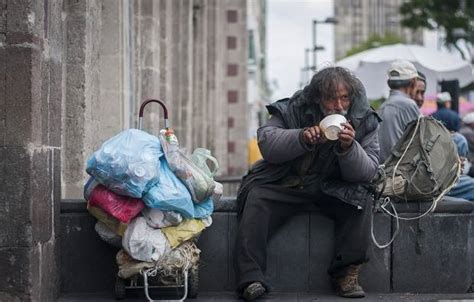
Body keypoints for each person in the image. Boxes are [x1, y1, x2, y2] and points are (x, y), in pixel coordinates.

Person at [234, 67, 381, 301]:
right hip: (291, 182)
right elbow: (267, 141)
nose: (339, 106)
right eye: (332, 98)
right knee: (257, 197)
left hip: (334, 187)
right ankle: (250, 277)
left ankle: (346, 274)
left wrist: (349, 148)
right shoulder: (293, 108)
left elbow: (369, 171)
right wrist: (301, 137)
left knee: (361, 199)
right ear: (317, 98)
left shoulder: (365, 118)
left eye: (344, 98)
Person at [378, 60, 421, 162]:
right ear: (413, 82)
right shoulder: (408, 104)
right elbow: (421, 141)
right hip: (402, 171)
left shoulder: (383, 106)